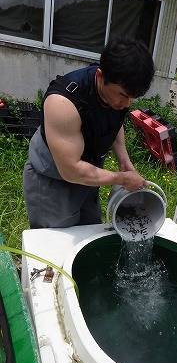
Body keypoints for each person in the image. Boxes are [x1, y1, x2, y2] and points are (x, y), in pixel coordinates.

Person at [23, 37, 155, 228]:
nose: (127, 105)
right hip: (54, 180)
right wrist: (122, 179)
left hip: (89, 177)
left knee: (90, 232)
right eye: (124, 96)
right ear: (101, 76)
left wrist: (124, 162)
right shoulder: (63, 103)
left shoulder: (116, 92)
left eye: (133, 98)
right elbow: (71, 170)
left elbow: (114, 123)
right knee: (59, 247)